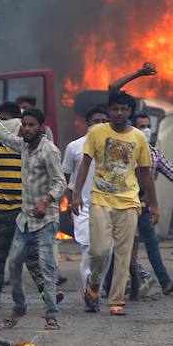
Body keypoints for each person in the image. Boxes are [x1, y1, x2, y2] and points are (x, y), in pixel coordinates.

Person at [71, 90, 158, 316]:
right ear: (110, 111)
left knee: (123, 253)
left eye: (124, 109)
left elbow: (145, 172)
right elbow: (85, 164)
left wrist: (153, 202)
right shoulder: (97, 133)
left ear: (130, 112)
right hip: (100, 199)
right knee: (99, 251)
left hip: (129, 201)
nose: (119, 113)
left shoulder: (139, 137)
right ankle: (93, 283)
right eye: (115, 109)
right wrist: (77, 194)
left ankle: (116, 299)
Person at [0, 104, 66, 330]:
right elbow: (3, 134)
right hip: (25, 220)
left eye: (32, 125)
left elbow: (60, 182)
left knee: (47, 267)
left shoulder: (49, 151)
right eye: (25, 125)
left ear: (41, 127)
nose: (27, 129)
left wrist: (46, 201)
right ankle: (20, 306)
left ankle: (51, 314)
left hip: (46, 221)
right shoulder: (23, 147)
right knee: (14, 263)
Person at [0, 101, 50, 308]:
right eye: (1, 121)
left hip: (24, 208)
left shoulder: (30, 144)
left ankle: (46, 293)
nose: (3, 126)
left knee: (33, 254)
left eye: (6, 121)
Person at [130, 112, 173, 296]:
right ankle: (108, 285)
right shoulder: (126, 149)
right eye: (141, 126)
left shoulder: (154, 153)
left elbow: (171, 172)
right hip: (124, 204)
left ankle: (165, 283)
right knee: (121, 247)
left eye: (147, 125)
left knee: (151, 242)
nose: (146, 130)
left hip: (143, 205)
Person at [63, 105, 110, 286]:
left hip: (109, 206)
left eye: (104, 121)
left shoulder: (115, 147)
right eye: (96, 121)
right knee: (88, 250)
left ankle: (96, 286)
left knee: (106, 252)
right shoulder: (74, 147)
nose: (100, 124)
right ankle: (89, 292)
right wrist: (68, 201)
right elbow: (66, 178)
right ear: (87, 124)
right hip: (83, 206)